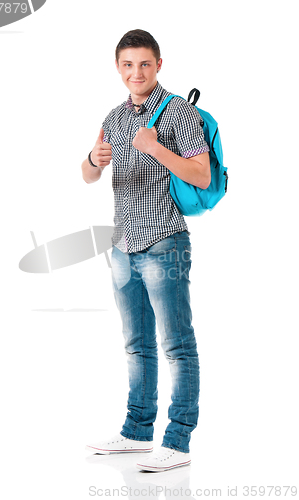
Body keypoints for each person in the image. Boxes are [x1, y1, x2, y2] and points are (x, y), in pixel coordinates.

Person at [82, 29, 210, 472]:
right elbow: (87, 174)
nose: (136, 72)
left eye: (144, 64)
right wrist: (95, 162)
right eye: (127, 65)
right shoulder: (115, 117)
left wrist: (157, 148)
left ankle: (178, 440)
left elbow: (202, 175)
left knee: (176, 344)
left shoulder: (177, 113)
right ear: (118, 69)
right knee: (136, 344)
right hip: (123, 245)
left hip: (164, 242)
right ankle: (137, 432)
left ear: (159, 66)